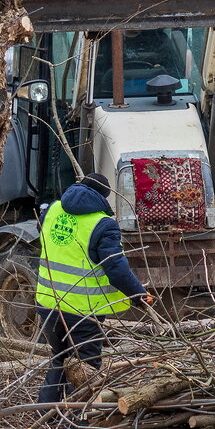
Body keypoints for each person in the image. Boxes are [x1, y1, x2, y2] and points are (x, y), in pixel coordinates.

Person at [35, 172, 152, 407]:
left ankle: (44, 413)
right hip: (83, 310)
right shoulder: (104, 224)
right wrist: (139, 294)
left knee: (59, 358)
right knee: (85, 367)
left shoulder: (53, 210)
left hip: (48, 303)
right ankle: (75, 424)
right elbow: (116, 268)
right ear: (103, 197)